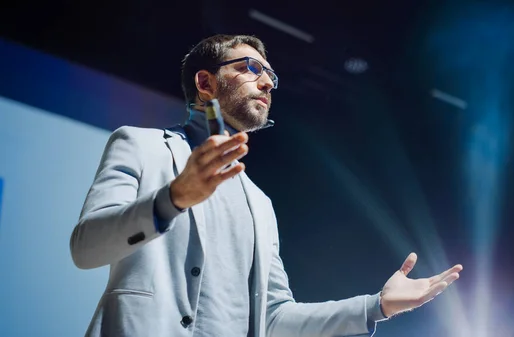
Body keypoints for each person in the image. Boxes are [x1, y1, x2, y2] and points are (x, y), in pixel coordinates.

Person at [70, 34, 463, 337]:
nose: (268, 84)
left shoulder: (259, 203)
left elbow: (274, 318)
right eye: (251, 68)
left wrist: (376, 307)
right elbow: (86, 247)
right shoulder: (140, 145)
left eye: (271, 75)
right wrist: (173, 199)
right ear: (205, 81)